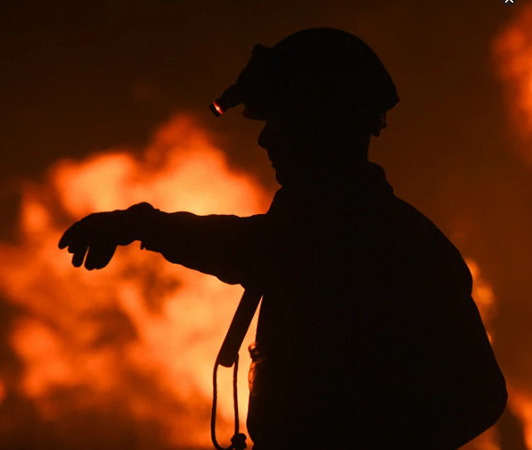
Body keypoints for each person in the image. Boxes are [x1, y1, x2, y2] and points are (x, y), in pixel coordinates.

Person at [58, 28, 507, 449]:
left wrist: (138, 225)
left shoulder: (369, 240)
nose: (266, 139)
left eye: (282, 120)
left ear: (322, 125)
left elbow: (479, 396)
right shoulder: (371, 235)